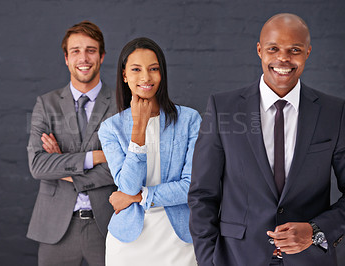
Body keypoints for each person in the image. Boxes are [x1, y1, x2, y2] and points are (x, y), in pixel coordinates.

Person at [188, 13, 345, 266]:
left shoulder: (333, 112)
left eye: (295, 49)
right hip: (237, 259)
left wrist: (316, 231)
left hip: (310, 260)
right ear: (260, 50)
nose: (283, 58)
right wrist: (208, 261)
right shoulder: (223, 108)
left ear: (307, 52)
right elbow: (202, 195)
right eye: (274, 49)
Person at [97, 37, 201, 266]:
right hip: (128, 243)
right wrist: (139, 129)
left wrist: (138, 197)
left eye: (153, 69)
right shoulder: (110, 129)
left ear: (162, 74)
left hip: (177, 240)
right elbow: (128, 186)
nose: (145, 77)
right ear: (125, 76)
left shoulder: (189, 120)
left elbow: (190, 187)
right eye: (136, 69)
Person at [26, 20, 117, 266]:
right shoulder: (46, 105)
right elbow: (38, 166)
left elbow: (120, 167)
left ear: (101, 56)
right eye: (75, 51)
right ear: (66, 58)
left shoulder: (122, 105)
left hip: (109, 226)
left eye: (90, 50)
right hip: (56, 229)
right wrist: (96, 157)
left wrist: (60, 164)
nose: (83, 58)